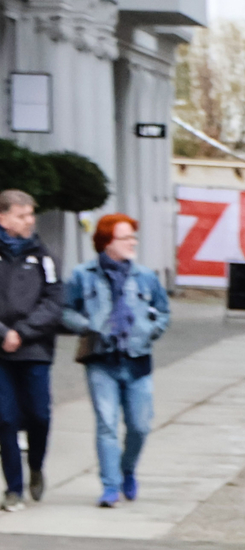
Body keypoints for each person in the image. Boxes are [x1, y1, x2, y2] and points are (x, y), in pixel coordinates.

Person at [59, 213, 169, 509]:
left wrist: (151, 331)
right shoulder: (84, 274)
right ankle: (110, 487)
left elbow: (163, 310)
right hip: (101, 360)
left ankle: (127, 470)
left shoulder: (145, 277)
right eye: (126, 237)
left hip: (137, 360)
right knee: (106, 424)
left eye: (134, 237)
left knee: (140, 425)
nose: (133, 242)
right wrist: (88, 326)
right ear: (108, 242)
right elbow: (66, 311)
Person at [0, 188, 60, 510]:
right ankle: (13, 488)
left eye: (30, 214)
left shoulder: (43, 255)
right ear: (3, 217)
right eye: (22, 215)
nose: (29, 221)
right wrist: (3, 334)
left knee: (39, 414)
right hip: (0, 352)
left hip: (34, 348)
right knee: (5, 419)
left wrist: (21, 333)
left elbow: (54, 301)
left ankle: (35, 465)